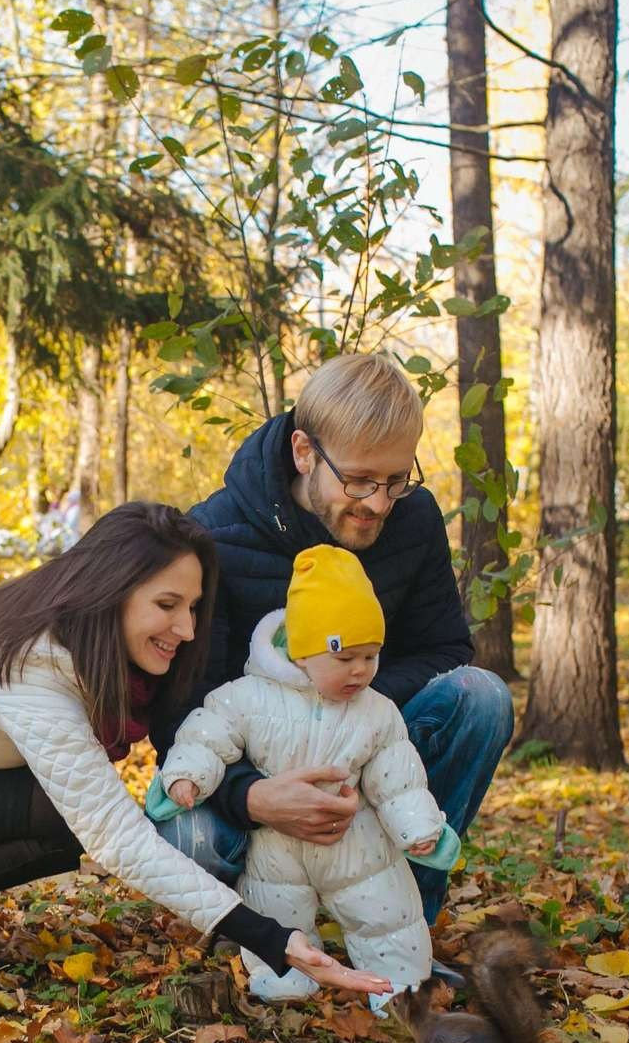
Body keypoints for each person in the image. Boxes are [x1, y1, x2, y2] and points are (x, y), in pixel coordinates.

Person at [0, 501, 393, 998]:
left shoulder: (49, 630)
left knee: (61, 807)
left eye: (193, 607)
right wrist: (268, 936)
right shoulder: (30, 666)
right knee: (63, 811)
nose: (184, 629)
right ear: (111, 589)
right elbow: (114, 837)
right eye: (166, 605)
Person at [153, 352, 516, 927]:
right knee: (190, 835)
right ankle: (259, 932)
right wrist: (253, 795)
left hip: (374, 753)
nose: (377, 503)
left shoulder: (413, 519)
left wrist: (351, 721)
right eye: (359, 479)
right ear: (304, 452)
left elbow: (444, 652)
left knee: (482, 697)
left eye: (396, 479)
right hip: (254, 768)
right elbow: (181, 707)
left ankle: (402, 919)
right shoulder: (214, 537)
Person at [152, 545, 457, 1005]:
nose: (360, 671)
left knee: (386, 914)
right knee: (276, 910)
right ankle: (285, 982)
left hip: (356, 845)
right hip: (275, 849)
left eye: (371, 656)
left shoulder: (376, 712)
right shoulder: (249, 697)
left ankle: (398, 991)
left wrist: (417, 827)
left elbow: (399, 777)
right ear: (302, 651)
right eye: (345, 657)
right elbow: (207, 736)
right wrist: (187, 778)